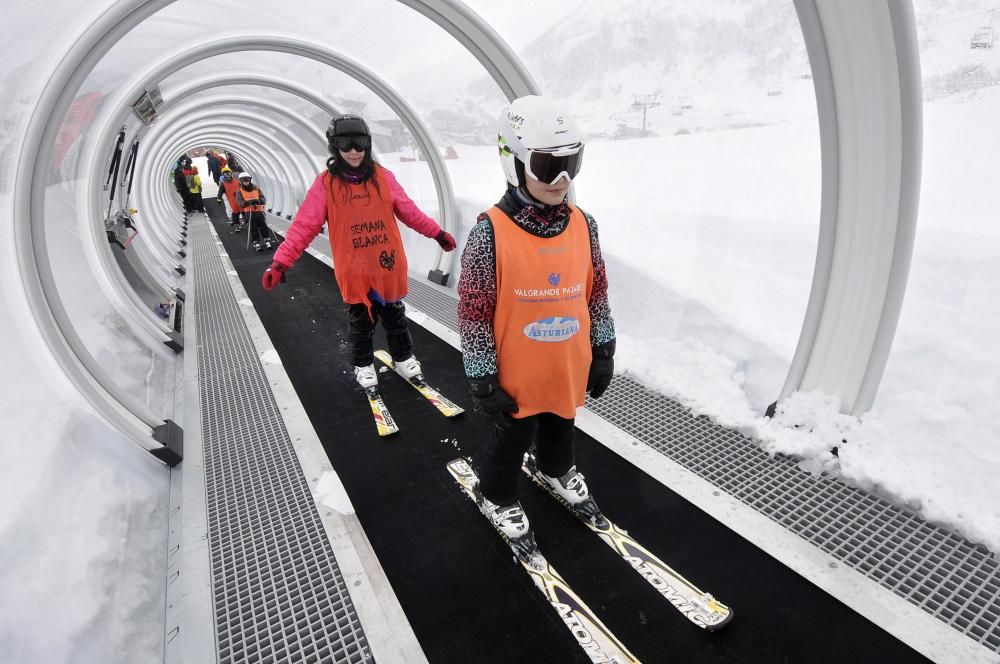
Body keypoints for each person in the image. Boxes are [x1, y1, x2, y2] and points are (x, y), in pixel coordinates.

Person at [457, 95, 616, 549]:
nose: (562, 179)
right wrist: (482, 375)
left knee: (562, 420)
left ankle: (554, 468)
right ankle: (496, 494)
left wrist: (603, 347)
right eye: (548, 166)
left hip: (566, 360)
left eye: (572, 162)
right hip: (517, 370)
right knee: (512, 435)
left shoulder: (584, 224)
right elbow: (473, 309)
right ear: (514, 162)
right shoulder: (491, 230)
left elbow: (596, 290)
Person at [260, 114, 457, 388]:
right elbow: (304, 226)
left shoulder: (383, 178)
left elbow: (409, 212)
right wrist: (280, 262)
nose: (354, 150)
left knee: (395, 317)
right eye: (346, 143)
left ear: (368, 144)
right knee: (361, 323)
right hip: (355, 270)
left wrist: (437, 233)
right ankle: (364, 365)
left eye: (360, 143)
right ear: (334, 147)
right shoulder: (325, 185)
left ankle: (403, 358)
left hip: (387, 267)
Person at [236, 172, 275, 251]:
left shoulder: (256, 188)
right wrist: (248, 202)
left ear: (250, 180)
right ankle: (256, 241)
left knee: (263, 225)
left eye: (247, 179)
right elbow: (240, 204)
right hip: (249, 212)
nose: (246, 181)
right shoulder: (239, 191)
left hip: (259, 210)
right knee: (253, 227)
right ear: (241, 181)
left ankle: (266, 239)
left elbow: (263, 199)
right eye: (244, 180)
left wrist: (259, 201)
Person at [216, 167, 244, 231]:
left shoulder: (237, 181)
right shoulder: (223, 184)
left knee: (244, 212)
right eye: (225, 174)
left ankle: (248, 222)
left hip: (241, 201)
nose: (228, 175)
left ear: (231, 173)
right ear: (223, 175)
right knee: (235, 213)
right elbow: (220, 192)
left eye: (228, 173)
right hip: (233, 201)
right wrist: (219, 199)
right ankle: (237, 225)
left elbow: (244, 188)